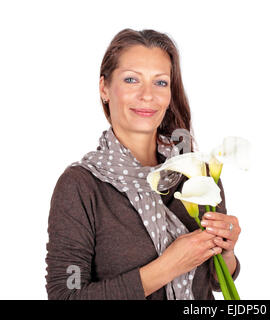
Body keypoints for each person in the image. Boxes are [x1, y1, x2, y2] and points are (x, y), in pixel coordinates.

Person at [45, 28, 241, 300]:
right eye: (131, 80)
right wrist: (168, 267)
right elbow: (66, 295)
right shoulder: (80, 187)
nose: (147, 95)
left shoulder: (198, 172)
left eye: (160, 83)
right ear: (104, 88)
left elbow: (217, 280)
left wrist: (226, 251)